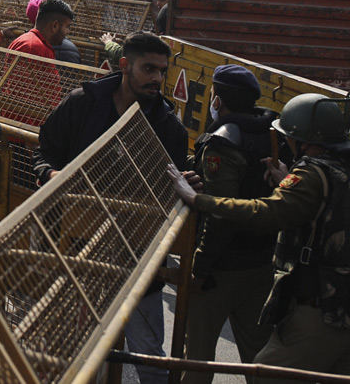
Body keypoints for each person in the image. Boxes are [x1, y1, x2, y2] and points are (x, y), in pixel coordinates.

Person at [34, 32, 189, 384]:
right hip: (75, 252)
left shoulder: (167, 126)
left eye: (162, 71)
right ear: (124, 65)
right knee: (72, 350)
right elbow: (44, 151)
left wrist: (186, 186)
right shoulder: (82, 103)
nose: (156, 79)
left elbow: (174, 186)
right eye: (148, 68)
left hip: (139, 256)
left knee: (148, 355)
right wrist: (53, 174)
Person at [170, 92, 350, 382]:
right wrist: (289, 183)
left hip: (320, 309)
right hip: (341, 306)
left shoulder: (311, 175)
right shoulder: (337, 169)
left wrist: (198, 199)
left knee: (266, 374)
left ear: (302, 140)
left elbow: (264, 212)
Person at [180, 65, 278, 384]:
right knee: (260, 357)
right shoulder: (273, 134)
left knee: (196, 358)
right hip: (262, 261)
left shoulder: (223, 142)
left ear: (218, 100)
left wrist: (201, 266)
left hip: (222, 268)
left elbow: (222, 213)